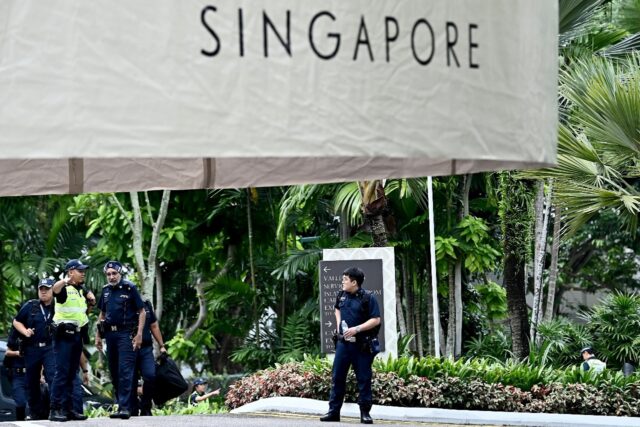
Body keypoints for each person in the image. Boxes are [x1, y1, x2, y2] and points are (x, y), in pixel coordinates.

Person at [320, 267, 381, 425]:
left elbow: (376, 319)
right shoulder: (341, 295)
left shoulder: (368, 297)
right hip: (343, 345)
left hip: (362, 346)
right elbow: (337, 309)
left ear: (354, 282)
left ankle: (365, 414)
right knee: (337, 377)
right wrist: (340, 325)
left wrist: (357, 329)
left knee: (364, 379)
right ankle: (333, 412)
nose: (343, 282)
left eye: (345, 280)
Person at [95, 260, 145, 420]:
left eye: (114, 273)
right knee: (115, 372)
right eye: (108, 274)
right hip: (110, 335)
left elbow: (142, 311)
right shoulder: (105, 291)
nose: (111, 276)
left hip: (126, 334)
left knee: (125, 371)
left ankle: (125, 407)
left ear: (120, 273)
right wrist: (98, 335)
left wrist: (139, 334)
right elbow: (102, 314)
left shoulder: (129, 288)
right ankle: (124, 405)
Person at [49, 259, 95, 422]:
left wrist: (90, 303)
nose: (83, 273)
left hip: (76, 336)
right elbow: (54, 290)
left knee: (71, 374)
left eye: (84, 270)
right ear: (70, 272)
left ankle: (69, 410)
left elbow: (81, 315)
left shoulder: (79, 291)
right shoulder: (64, 289)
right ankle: (55, 410)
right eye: (79, 270)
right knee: (61, 373)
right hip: (63, 337)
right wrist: (65, 281)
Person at [12, 278, 56, 420]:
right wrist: (25, 332)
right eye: (41, 289)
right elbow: (16, 321)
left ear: (52, 290)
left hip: (50, 347)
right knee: (32, 381)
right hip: (32, 348)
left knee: (52, 377)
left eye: (46, 289)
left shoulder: (58, 305)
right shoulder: (31, 305)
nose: (43, 292)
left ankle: (55, 409)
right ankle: (35, 412)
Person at [129, 299, 167, 416]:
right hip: (129, 349)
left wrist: (162, 345)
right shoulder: (124, 304)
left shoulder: (146, 305)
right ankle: (133, 407)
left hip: (146, 348)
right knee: (131, 379)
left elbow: (154, 326)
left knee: (150, 376)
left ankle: (146, 407)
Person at [4, 328, 27, 420]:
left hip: (31, 373)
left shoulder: (35, 335)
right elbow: (7, 352)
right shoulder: (15, 335)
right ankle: (21, 422)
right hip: (18, 374)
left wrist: (40, 376)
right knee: (20, 402)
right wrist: (17, 353)